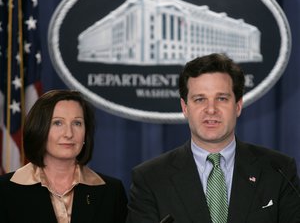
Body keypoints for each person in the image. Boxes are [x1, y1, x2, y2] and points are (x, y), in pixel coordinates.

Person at [126, 53, 300, 223]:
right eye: (200, 99)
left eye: (222, 98)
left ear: (238, 106)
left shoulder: (279, 171)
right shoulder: (150, 178)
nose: (211, 109)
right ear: (185, 107)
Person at [0, 90, 128, 223]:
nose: (69, 133)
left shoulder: (111, 192)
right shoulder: (4, 191)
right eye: (58, 123)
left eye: (77, 123)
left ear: (86, 133)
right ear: (39, 129)